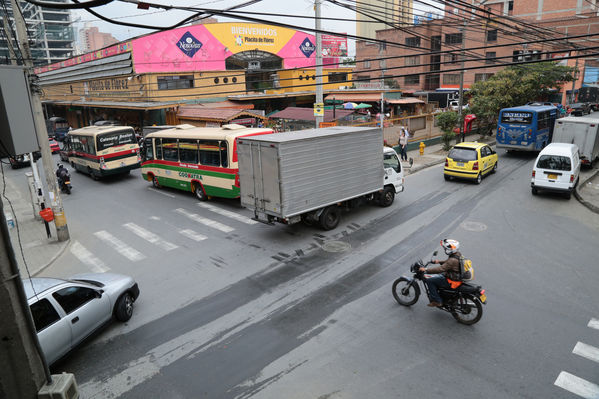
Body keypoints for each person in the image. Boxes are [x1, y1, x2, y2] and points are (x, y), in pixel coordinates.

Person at [419, 239, 462, 307]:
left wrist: (426, 269)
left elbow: (441, 269)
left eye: (446, 248)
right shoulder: (457, 254)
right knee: (438, 276)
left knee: (429, 280)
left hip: (452, 280)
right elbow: (448, 263)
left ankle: (437, 301)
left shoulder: (452, 260)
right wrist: (439, 262)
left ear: (451, 249)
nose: (445, 249)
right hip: (455, 276)